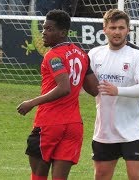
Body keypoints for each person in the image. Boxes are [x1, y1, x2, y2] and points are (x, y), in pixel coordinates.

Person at [17, 9, 99, 180]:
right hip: (73, 126)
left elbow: (64, 88)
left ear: (62, 33)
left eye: (49, 29)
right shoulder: (82, 54)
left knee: (38, 176)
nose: (43, 33)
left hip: (49, 124)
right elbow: (94, 90)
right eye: (43, 28)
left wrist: (32, 102)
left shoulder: (53, 56)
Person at [88, 9, 139, 180]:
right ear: (105, 29)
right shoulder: (94, 55)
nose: (117, 32)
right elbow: (85, 85)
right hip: (105, 129)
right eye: (113, 27)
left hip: (133, 129)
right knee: (101, 176)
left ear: (128, 30)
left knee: (135, 176)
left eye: (121, 28)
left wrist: (117, 90)